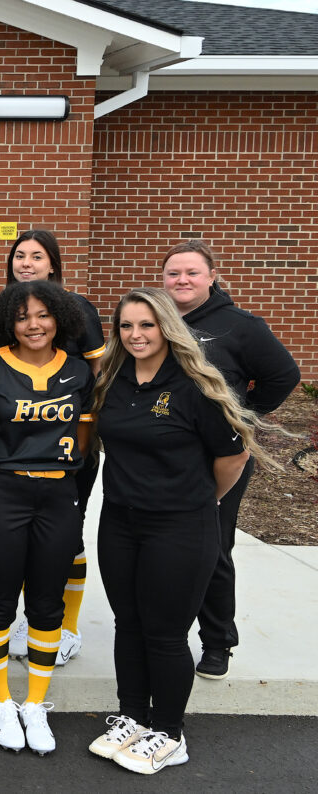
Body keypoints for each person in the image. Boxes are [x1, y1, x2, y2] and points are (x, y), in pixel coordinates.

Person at [88, 287, 264, 775]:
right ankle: (132, 717)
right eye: (126, 326)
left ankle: (169, 732)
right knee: (130, 624)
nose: (136, 334)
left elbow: (233, 457)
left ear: (168, 326)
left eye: (147, 324)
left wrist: (199, 502)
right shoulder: (114, 380)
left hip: (180, 526)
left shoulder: (196, 386)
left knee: (164, 634)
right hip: (121, 522)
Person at [0, 280, 92, 755]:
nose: (33, 325)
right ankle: (1, 701)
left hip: (57, 493)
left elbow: (82, 434)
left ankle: (35, 704)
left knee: (46, 601)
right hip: (2, 489)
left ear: (59, 317)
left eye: (42, 315)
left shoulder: (79, 371)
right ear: (6, 324)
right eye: (21, 317)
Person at [161, 239, 299, 678]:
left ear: (212, 277)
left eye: (192, 273)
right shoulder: (158, 319)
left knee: (212, 548)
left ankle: (218, 642)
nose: (182, 280)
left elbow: (283, 375)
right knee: (163, 548)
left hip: (219, 456)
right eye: (173, 273)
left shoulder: (240, 325)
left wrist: (241, 415)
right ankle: (166, 631)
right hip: (162, 457)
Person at [6, 229, 107, 665]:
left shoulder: (78, 308)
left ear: (53, 265)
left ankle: (67, 627)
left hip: (69, 443)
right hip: (20, 443)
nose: (26, 263)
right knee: (30, 539)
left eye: (36, 256)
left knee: (67, 536)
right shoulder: (6, 308)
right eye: (20, 256)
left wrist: (90, 436)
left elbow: (99, 372)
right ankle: (33, 619)